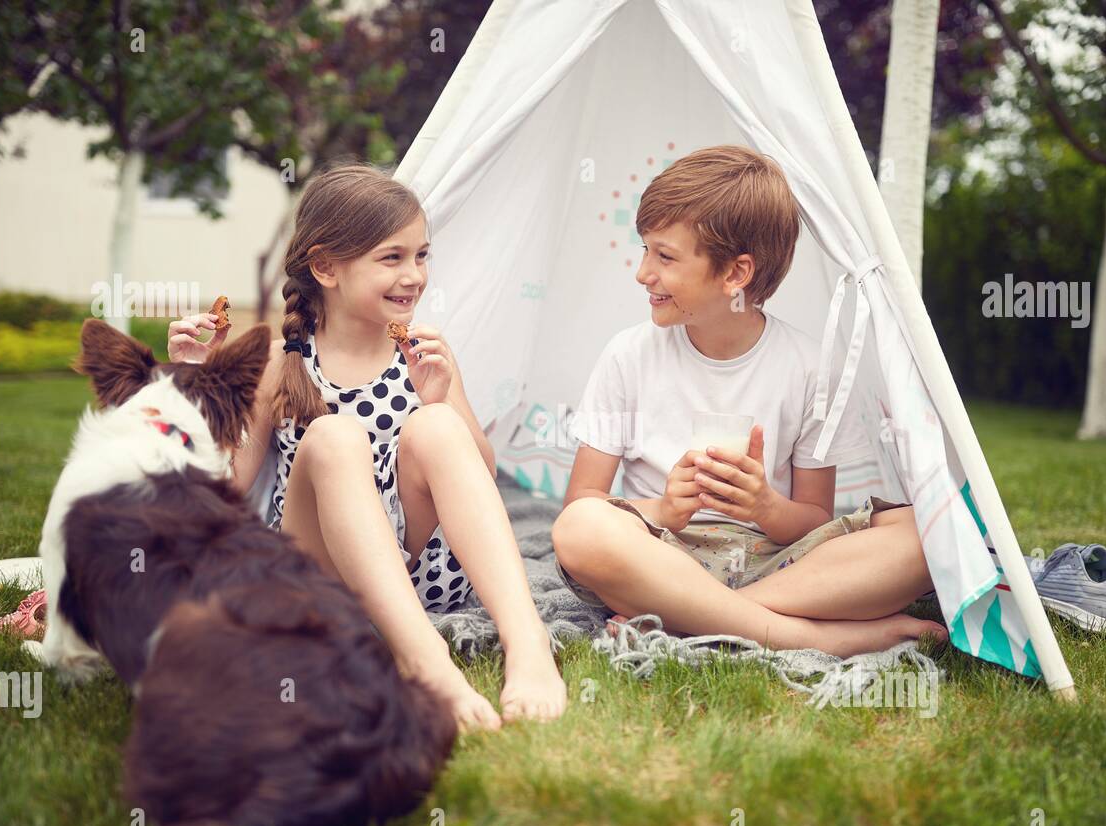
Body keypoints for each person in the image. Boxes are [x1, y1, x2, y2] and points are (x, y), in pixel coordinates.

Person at [168, 162, 566, 730]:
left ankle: (526, 641)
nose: (414, 276)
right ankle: (424, 660)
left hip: (420, 572)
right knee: (333, 437)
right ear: (326, 267)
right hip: (319, 579)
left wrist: (439, 398)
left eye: (421, 255)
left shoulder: (423, 351)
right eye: (392, 258)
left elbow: (480, 474)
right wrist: (196, 385)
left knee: (438, 429)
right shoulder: (283, 363)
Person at [551, 145, 947, 656]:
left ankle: (694, 623)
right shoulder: (629, 355)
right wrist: (665, 510)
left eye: (664, 256)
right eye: (645, 249)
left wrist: (764, 506)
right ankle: (797, 635)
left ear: (736, 275)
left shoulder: (810, 366)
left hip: (777, 562)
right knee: (581, 528)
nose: (643, 272)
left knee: (924, 532)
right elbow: (583, 501)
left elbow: (812, 518)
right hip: (664, 558)